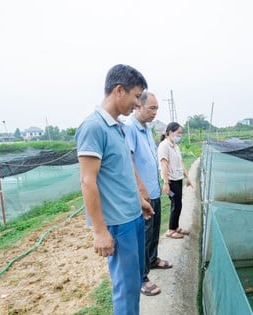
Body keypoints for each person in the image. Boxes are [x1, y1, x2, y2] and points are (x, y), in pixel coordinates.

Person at [75, 64, 154, 315]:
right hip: (119, 224)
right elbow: (88, 181)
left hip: (133, 216)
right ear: (119, 90)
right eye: (136, 96)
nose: (138, 104)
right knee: (126, 288)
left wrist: (138, 200)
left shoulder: (118, 126)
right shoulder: (93, 127)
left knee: (134, 282)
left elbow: (121, 171)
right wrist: (100, 231)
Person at [124, 91, 173, 297]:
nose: (155, 112)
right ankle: (142, 278)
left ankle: (153, 260)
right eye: (151, 108)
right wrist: (141, 191)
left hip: (153, 191)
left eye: (156, 109)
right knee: (143, 236)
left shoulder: (146, 129)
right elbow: (129, 161)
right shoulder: (130, 128)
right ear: (138, 106)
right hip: (143, 195)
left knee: (153, 232)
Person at [157, 122, 193, 239]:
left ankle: (176, 227)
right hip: (171, 181)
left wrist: (187, 177)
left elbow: (181, 163)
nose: (180, 135)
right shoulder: (164, 146)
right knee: (175, 203)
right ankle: (170, 230)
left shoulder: (175, 146)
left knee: (179, 203)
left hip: (178, 179)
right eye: (178, 133)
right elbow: (164, 165)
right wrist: (166, 183)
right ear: (170, 132)